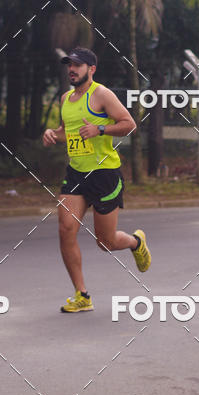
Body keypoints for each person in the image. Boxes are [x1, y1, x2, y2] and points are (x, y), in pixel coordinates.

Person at [42, 47, 151, 312]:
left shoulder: (102, 94)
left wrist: (100, 129)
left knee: (106, 242)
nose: (72, 69)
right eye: (69, 64)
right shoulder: (66, 98)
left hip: (104, 175)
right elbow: (68, 131)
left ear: (91, 69)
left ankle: (136, 242)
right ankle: (82, 295)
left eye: (78, 65)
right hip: (76, 173)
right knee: (65, 229)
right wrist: (52, 134)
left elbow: (129, 123)